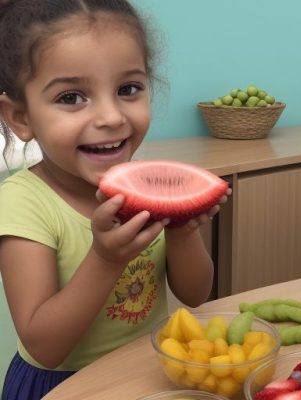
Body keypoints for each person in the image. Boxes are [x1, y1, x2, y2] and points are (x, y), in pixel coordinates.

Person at [0, 1, 221, 397]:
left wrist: (183, 234)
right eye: (71, 97)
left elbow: (195, 294)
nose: (112, 117)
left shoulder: (146, 185)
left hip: (144, 373)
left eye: (127, 89)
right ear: (21, 118)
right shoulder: (21, 204)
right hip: (64, 385)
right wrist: (105, 259)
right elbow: (44, 347)